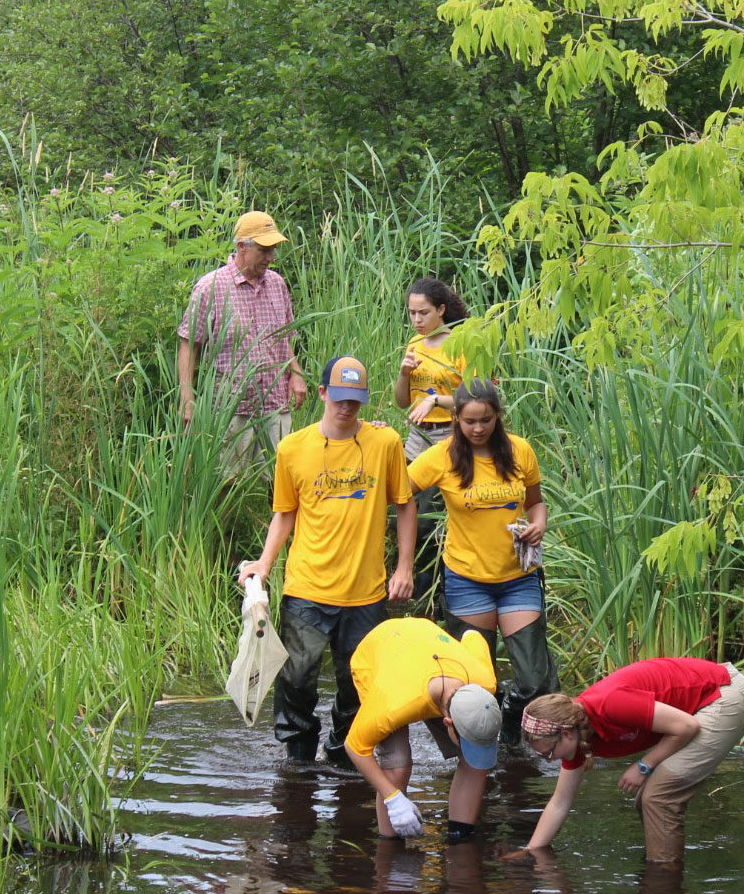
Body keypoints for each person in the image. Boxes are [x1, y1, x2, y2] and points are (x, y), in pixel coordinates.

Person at [238, 355, 416, 770]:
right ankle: (299, 759)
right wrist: (265, 564)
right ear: (321, 393)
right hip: (307, 588)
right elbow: (285, 512)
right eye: (338, 398)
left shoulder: (384, 443)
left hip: (366, 591)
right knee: (296, 678)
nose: (346, 408)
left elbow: (404, 506)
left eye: (354, 400)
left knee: (358, 683)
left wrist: (404, 567)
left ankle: (342, 753)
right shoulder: (293, 448)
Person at [407, 379, 558, 741]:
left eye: (485, 420)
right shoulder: (442, 456)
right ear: (456, 418)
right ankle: (482, 754)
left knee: (536, 681)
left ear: (497, 417)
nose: (477, 429)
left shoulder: (519, 451)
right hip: (466, 580)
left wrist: (538, 524)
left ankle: (510, 718)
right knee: (476, 684)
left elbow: (536, 502)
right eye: (469, 421)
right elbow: (397, 492)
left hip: (518, 576)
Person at [517, 658, 744, 864]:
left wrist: (643, 766)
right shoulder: (577, 739)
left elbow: (686, 726)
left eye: (549, 752)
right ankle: (662, 866)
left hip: (724, 695)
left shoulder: (609, 704)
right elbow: (559, 803)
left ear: (566, 734)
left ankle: (662, 879)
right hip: (702, 706)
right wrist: (529, 852)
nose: (550, 760)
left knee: (658, 798)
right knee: (647, 801)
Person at [344, 617, 501, 843]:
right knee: (397, 766)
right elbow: (355, 747)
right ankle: (390, 844)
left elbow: (472, 636)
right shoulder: (394, 704)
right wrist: (393, 798)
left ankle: (460, 838)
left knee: (474, 760)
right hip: (380, 649)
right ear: (447, 722)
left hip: (428, 640)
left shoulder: (484, 680)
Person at [177, 210, 307, 477]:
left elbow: (283, 338)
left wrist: (295, 374)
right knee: (227, 481)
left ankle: (275, 521)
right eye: (264, 249)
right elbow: (189, 344)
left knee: (283, 480)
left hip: (275, 401)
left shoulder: (277, 284)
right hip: (232, 407)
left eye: (273, 249)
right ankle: (226, 521)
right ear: (241, 247)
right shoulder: (210, 287)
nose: (271, 257)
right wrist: (187, 397)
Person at [392, 277, 468, 604]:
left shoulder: (460, 345)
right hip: (416, 437)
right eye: (412, 313)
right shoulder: (414, 346)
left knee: (434, 520)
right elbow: (401, 400)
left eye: (423, 313)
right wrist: (404, 374)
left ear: (441, 310)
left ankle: (438, 595)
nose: (417, 320)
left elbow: (477, 398)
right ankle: (413, 587)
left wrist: (436, 400)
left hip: (449, 434)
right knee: (403, 509)